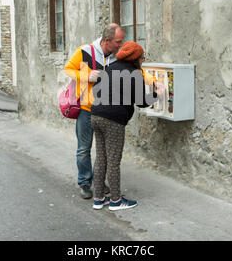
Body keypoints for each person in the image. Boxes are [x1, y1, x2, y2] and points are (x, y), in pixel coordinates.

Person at [90, 41, 163, 211]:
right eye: (142, 58)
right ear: (135, 58)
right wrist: (157, 94)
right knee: (114, 161)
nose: (143, 61)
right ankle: (116, 201)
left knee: (101, 158)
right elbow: (142, 102)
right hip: (113, 121)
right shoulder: (133, 73)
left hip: (96, 115)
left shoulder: (111, 67)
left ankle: (98, 198)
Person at [64, 23, 125, 199]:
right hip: (86, 109)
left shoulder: (116, 57)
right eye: (118, 42)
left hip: (105, 111)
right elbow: (68, 69)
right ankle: (84, 182)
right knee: (84, 148)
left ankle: (99, 182)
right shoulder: (85, 51)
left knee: (102, 151)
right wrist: (86, 75)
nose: (120, 45)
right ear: (107, 41)